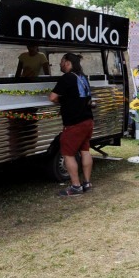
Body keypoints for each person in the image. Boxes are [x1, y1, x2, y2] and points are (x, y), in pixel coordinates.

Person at [49, 53, 94, 196]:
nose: (60, 64)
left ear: (68, 63)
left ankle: (75, 187)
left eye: (61, 61)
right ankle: (87, 183)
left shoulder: (67, 77)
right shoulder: (83, 77)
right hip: (87, 120)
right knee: (85, 151)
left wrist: (62, 102)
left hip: (74, 123)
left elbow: (53, 97)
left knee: (68, 153)